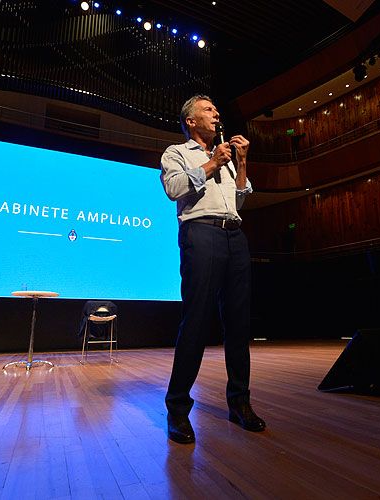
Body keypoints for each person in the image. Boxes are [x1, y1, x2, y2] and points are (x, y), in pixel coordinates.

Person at [160, 94, 266, 444]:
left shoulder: (229, 156)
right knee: (196, 321)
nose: (216, 113)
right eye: (208, 110)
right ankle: (177, 409)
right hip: (200, 233)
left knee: (238, 324)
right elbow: (174, 189)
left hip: (234, 236)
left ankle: (240, 403)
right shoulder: (177, 153)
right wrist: (211, 164)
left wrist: (243, 163)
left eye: (216, 110)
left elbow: (240, 200)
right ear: (190, 121)